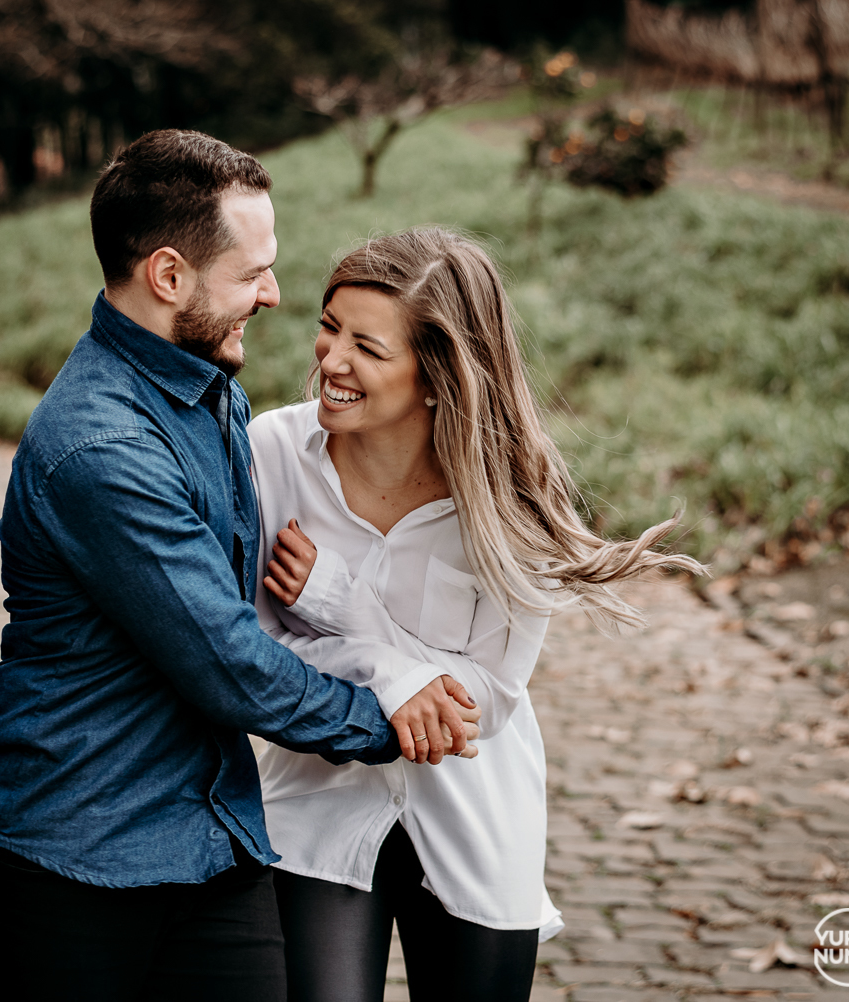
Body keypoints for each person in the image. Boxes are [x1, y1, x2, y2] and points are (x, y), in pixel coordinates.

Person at [0, 134, 481, 1002]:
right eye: (251, 272)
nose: (274, 294)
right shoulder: (103, 446)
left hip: (213, 845)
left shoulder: (204, 388)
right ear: (168, 276)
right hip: (71, 860)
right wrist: (392, 718)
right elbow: (230, 664)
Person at [249, 227, 704, 1002]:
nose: (331, 361)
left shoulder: (516, 495)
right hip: (313, 812)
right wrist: (392, 670)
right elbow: (256, 650)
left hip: (477, 824)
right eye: (328, 327)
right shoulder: (272, 454)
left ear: (437, 375)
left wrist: (337, 605)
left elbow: (484, 703)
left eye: (368, 346)